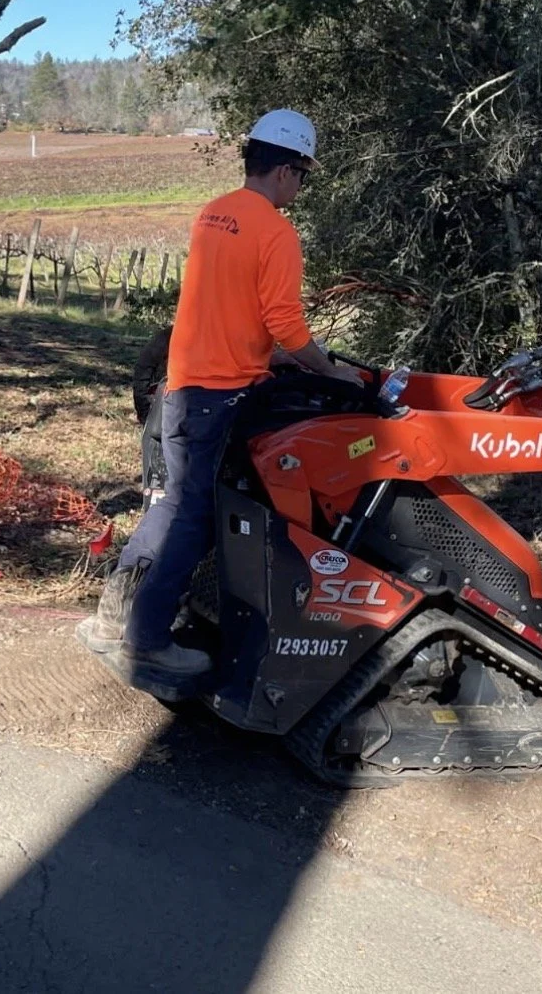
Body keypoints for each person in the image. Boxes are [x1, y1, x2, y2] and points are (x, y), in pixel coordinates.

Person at [86, 109, 362, 679]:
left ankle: (115, 613)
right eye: (303, 176)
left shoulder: (214, 215)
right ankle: (147, 640)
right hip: (220, 395)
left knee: (172, 507)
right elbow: (285, 319)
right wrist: (329, 372)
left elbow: (228, 305)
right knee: (195, 517)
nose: (300, 188)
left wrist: (269, 354)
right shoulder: (276, 230)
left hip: (185, 381)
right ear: (287, 171)